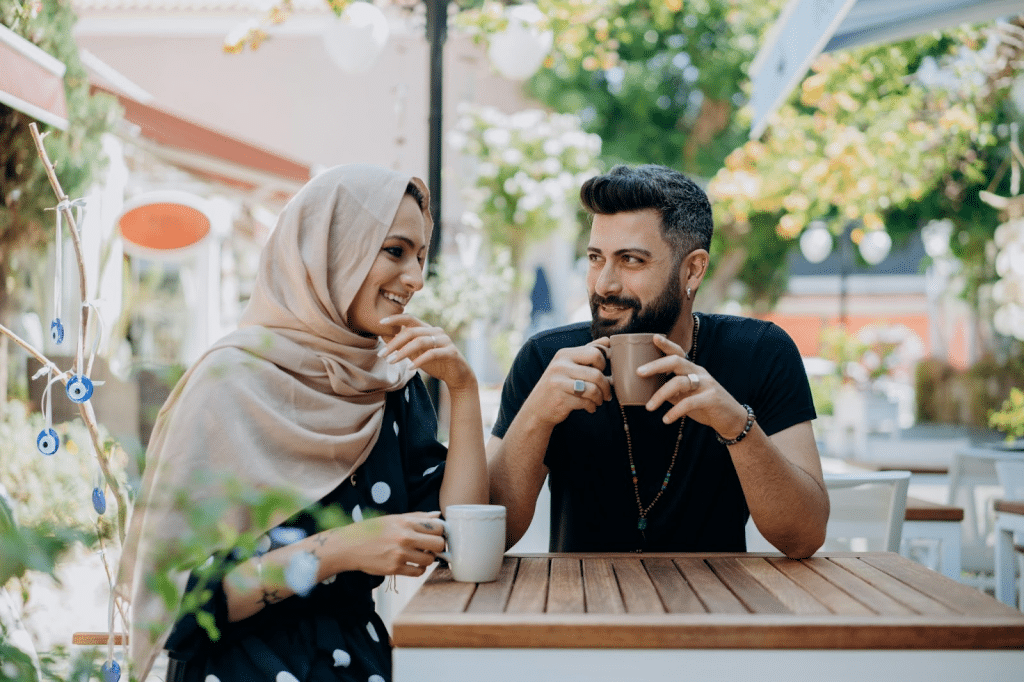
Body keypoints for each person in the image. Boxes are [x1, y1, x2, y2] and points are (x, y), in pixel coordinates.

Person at [116, 164, 488, 682]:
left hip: (360, 667)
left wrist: (463, 390)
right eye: (396, 250)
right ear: (333, 250)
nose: (416, 278)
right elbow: (183, 608)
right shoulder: (227, 382)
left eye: (422, 257)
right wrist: (342, 549)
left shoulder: (391, 385)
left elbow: (461, 537)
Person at [487, 164, 828, 558]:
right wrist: (537, 415)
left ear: (693, 270)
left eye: (631, 260)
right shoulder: (547, 360)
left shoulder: (759, 352)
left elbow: (804, 537)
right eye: (596, 258)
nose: (603, 284)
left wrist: (735, 423)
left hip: (718, 610)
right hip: (582, 609)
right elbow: (492, 535)